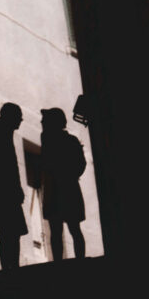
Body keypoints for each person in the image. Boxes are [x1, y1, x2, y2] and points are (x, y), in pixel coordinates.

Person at [0, 102, 27, 270]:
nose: (21, 121)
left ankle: (9, 266)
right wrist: (15, 190)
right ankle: (10, 267)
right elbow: (5, 168)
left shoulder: (0, 133)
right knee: (11, 233)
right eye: (18, 117)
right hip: (5, 194)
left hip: (3, 193)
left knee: (9, 232)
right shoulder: (0, 134)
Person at [41, 107, 87, 260]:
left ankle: (62, 261)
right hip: (66, 188)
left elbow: (80, 164)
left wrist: (67, 176)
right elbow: (81, 164)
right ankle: (72, 259)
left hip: (62, 189)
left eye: (45, 120)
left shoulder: (56, 140)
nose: (42, 122)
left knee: (65, 229)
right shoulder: (66, 140)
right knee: (68, 229)